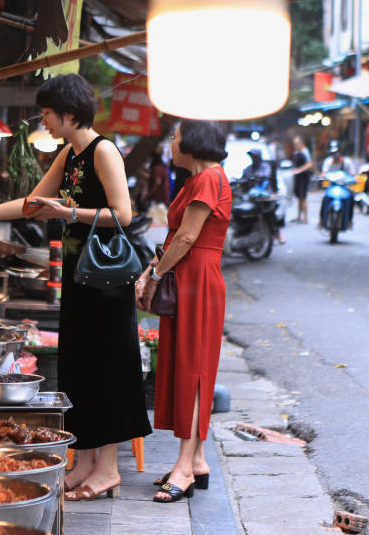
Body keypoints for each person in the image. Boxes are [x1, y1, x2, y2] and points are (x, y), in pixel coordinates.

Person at [0, 74, 151, 501]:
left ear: (68, 113)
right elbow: (32, 204)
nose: (43, 120)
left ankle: (107, 469)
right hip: (79, 279)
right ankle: (83, 461)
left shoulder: (103, 151)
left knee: (106, 369)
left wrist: (70, 213)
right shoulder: (70, 154)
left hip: (105, 282)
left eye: (47, 113)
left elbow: (125, 213)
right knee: (79, 368)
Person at [135, 120, 232, 504]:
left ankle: (184, 468)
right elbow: (176, 237)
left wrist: (156, 275)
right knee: (188, 367)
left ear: (192, 143)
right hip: (188, 278)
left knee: (192, 371)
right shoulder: (197, 180)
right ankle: (197, 461)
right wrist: (150, 271)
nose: (172, 145)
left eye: (174, 139)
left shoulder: (208, 178)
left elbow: (189, 237)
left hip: (199, 280)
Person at [290, 136, 313, 223]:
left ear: (301, 143)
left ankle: (305, 217)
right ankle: (299, 216)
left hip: (303, 178)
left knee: (303, 198)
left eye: (296, 143)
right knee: (299, 198)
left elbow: (309, 164)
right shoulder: (296, 152)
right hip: (298, 178)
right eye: (294, 144)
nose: (295, 145)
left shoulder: (305, 152)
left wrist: (299, 170)